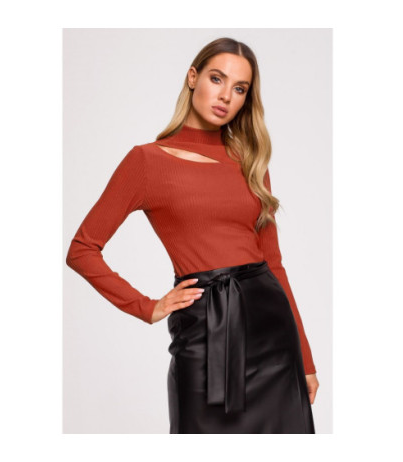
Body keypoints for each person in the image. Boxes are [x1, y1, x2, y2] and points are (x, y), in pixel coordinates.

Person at [66, 37, 319, 434]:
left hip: (271, 333)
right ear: (192, 77)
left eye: (240, 88)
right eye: (217, 79)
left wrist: (305, 358)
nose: (226, 96)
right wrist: (146, 307)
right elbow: (82, 249)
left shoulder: (250, 163)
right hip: (204, 330)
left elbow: (274, 263)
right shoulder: (146, 161)